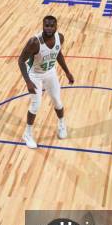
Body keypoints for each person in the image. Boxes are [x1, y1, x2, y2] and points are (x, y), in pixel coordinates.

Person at [18, 16, 74, 149]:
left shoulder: (60, 38)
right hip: (35, 75)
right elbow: (21, 61)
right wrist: (28, 82)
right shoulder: (34, 42)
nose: (49, 28)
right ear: (43, 26)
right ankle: (27, 134)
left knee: (57, 101)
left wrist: (67, 72)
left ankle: (61, 124)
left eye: (51, 26)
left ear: (56, 26)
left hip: (50, 72)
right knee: (36, 105)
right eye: (46, 26)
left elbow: (58, 54)